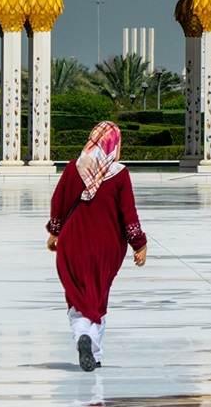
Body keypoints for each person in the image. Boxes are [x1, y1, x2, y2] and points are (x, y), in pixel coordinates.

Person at [46, 121, 147, 372]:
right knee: (99, 294)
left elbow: (59, 203)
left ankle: (83, 333)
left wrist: (54, 232)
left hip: (73, 243)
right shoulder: (120, 174)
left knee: (77, 294)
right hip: (107, 246)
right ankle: (94, 349)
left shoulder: (74, 168)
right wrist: (139, 243)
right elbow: (128, 213)